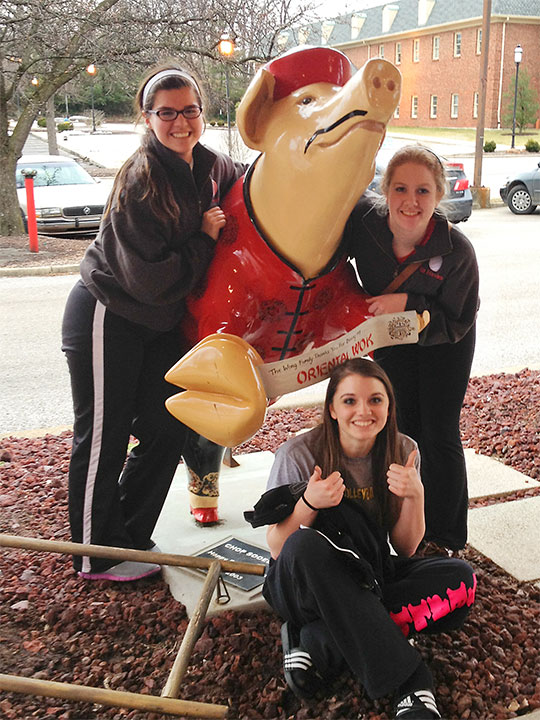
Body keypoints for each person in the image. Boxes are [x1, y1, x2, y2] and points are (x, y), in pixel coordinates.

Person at [61, 62, 245, 581]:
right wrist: (202, 241)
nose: (180, 122)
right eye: (167, 113)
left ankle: (131, 539)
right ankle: (97, 554)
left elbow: (252, 190)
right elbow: (147, 278)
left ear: (202, 113)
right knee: (105, 433)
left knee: (169, 422)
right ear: (148, 117)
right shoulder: (141, 177)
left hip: (155, 325)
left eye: (189, 111)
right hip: (108, 313)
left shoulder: (210, 165)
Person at [245, 358, 476, 719]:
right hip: (302, 583)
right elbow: (278, 547)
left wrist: (416, 496)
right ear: (333, 409)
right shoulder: (299, 455)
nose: (363, 411)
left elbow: (405, 547)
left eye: (375, 400)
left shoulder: (402, 449)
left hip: (369, 573)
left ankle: (319, 640)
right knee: (305, 545)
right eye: (350, 401)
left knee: (460, 582)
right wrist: (308, 503)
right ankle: (411, 681)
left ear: (388, 406)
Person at [346, 145, 479, 555]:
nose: (410, 201)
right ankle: (405, 525)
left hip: (445, 343)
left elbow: (456, 320)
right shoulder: (363, 225)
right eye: (400, 188)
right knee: (402, 430)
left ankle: (447, 536)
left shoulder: (458, 252)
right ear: (384, 191)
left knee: (439, 434)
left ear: (439, 196)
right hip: (390, 342)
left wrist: (405, 303)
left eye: (423, 191)